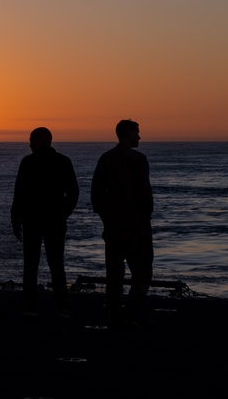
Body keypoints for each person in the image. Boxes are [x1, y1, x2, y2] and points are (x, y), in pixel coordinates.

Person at [91, 119, 154, 328]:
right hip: (136, 227)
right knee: (142, 271)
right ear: (127, 134)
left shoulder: (106, 159)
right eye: (137, 132)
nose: (139, 136)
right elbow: (145, 194)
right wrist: (145, 217)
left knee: (115, 274)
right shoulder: (138, 159)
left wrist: (106, 219)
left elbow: (96, 195)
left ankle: (114, 313)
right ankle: (133, 310)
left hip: (114, 227)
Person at [10, 127, 79, 318]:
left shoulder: (28, 162)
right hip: (53, 221)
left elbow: (19, 194)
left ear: (39, 141)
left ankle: (30, 306)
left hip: (33, 221)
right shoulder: (62, 162)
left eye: (31, 140)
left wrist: (16, 220)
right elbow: (73, 193)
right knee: (56, 265)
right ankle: (61, 306)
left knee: (31, 265)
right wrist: (62, 214)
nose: (29, 143)